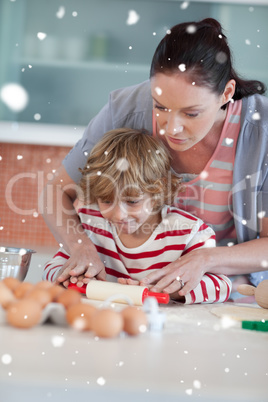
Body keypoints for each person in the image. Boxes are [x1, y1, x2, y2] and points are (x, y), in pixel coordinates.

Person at [41, 17, 268, 298]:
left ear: (226, 93)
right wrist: (81, 247)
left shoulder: (261, 132)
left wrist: (204, 259)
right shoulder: (124, 110)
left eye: (191, 113)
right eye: (160, 106)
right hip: (131, 292)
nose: (171, 128)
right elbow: (55, 192)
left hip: (219, 293)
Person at [43, 128, 231, 304]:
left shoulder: (190, 233)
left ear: (158, 192)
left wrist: (161, 291)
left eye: (132, 202)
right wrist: (71, 278)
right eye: (107, 201)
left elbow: (221, 286)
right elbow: (53, 267)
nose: (119, 215)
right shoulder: (90, 222)